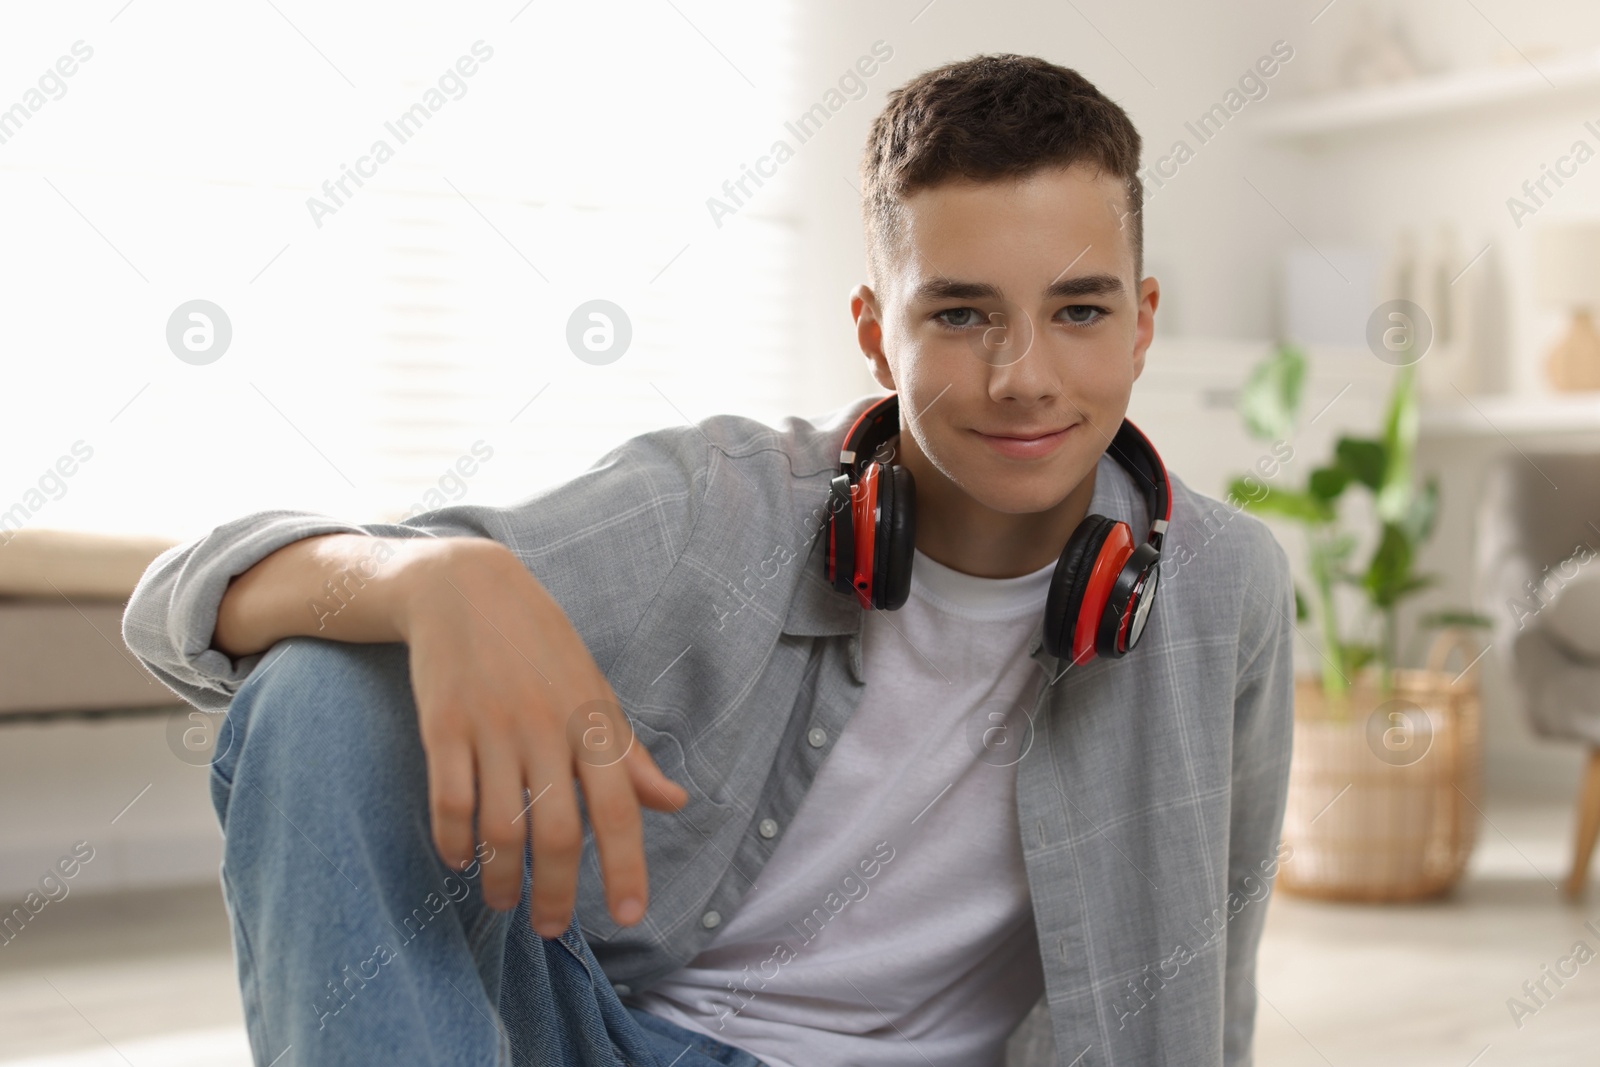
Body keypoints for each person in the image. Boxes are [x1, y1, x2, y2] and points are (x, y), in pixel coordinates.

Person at [124, 52, 1294, 1067]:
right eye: (958, 314)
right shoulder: (721, 502)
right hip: (605, 1034)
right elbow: (181, 599)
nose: (1023, 375)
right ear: (873, 333)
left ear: (1142, 321)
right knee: (322, 690)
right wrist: (440, 579)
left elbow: (1209, 958)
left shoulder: (1225, 585)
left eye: (1078, 312)